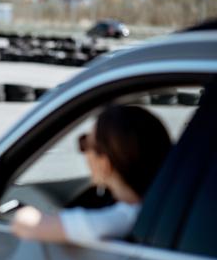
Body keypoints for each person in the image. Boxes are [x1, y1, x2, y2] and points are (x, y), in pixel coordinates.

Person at [12, 104, 171, 244]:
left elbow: (27, 226)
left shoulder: (117, 221)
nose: (85, 153)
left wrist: (26, 212)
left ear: (105, 163)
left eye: (85, 143)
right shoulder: (166, 208)